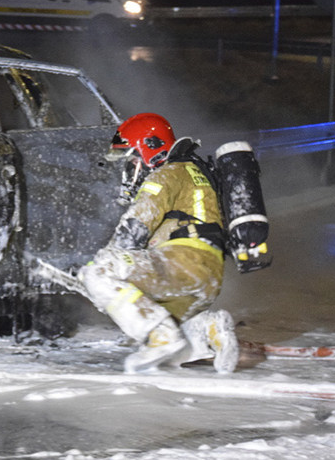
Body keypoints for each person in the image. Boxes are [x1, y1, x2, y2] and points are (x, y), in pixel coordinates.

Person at [78, 112, 239, 374]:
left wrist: (97, 268)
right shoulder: (194, 172)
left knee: (100, 271)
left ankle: (161, 335)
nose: (128, 168)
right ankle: (210, 329)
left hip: (183, 262)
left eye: (131, 159)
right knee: (166, 341)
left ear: (149, 150)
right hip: (206, 276)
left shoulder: (166, 175)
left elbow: (135, 226)